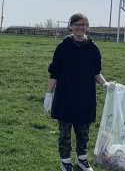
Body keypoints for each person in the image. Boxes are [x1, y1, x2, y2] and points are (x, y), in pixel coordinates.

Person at [43, 13, 116, 171]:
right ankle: (66, 162)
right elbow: (54, 73)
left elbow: (96, 72)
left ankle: (82, 160)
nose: (79, 27)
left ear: (87, 27)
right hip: (65, 98)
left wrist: (105, 84)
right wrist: (49, 94)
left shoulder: (93, 49)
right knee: (65, 134)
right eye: (76, 24)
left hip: (85, 98)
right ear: (70, 26)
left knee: (83, 133)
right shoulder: (62, 48)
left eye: (83, 24)